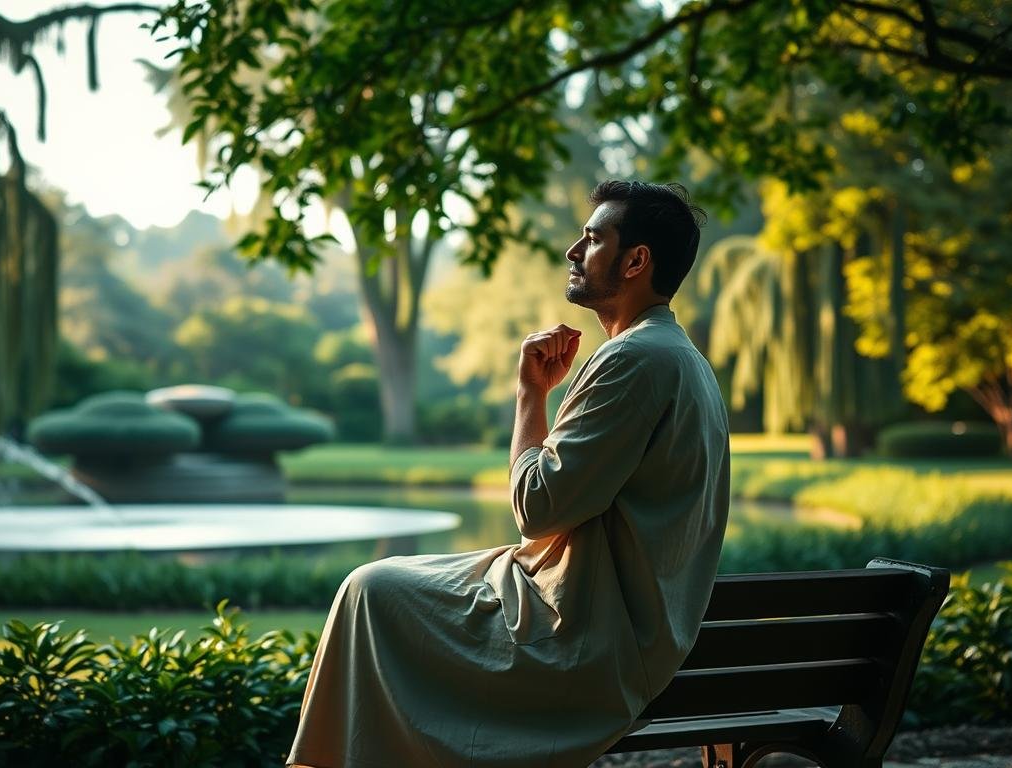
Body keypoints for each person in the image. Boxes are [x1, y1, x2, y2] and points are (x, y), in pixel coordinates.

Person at [287, 180, 730, 768]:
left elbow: (537, 511)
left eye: (593, 239)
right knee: (381, 585)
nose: (574, 251)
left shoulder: (634, 359)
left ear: (636, 261)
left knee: (371, 592)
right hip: (634, 628)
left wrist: (530, 396)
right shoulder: (682, 358)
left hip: (589, 643)